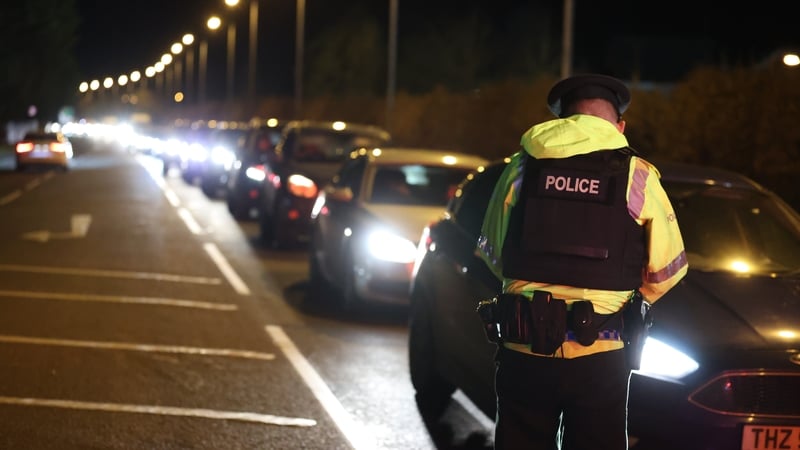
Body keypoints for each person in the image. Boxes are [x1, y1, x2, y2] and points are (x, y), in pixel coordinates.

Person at [476, 73, 688, 450]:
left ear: (562, 123)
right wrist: (616, 299)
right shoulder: (637, 174)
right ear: (619, 126)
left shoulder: (522, 167)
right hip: (600, 354)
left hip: (524, 350)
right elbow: (666, 270)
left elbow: (493, 253)